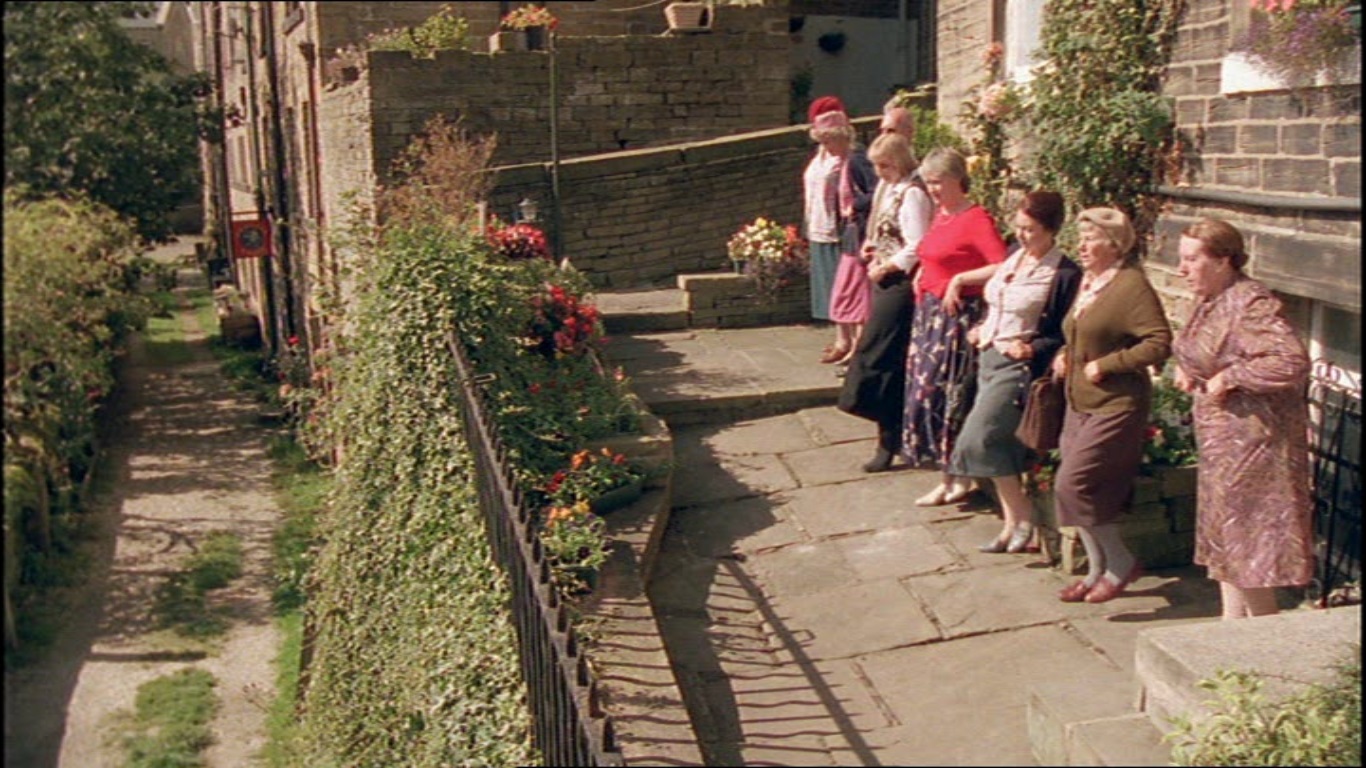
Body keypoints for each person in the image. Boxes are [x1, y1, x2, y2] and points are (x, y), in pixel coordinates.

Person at [1171, 218, 1313, 620]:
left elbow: (1290, 360)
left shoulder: (1250, 303)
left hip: (1255, 448)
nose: (1181, 269)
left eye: (1191, 259)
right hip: (1223, 448)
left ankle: (1261, 640)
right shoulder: (1208, 299)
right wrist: (1192, 371)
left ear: (1224, 260)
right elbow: (1210, 349)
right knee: (1227, 544)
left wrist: (1231, 377)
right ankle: (1231, 630)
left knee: (1250, 550)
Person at [947, 191, 1081, 552]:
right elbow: (999, 300)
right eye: (1018, 227)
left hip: (1017, 367)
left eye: (1031, 229)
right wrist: (982, 326)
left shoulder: (1064, 273)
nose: (1022, 235)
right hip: (987, 356)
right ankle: (1015, 525)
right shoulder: (1013, 256)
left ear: (1051, 230)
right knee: (995, 442)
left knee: (981, 438)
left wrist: (1033, 348)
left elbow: (1064, 332)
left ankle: (1024, 514)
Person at [1052, 207, 1172, 604]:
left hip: (1115, 403)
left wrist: (1107, 363)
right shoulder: (1091, 281)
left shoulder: (1130, 285)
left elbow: (1158, 341)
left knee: (1073, 484)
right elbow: (1083, 330)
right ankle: (1096, 568)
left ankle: (1121, 563)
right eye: (1080, 237)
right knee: (1083, 492)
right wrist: (1066, 354)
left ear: (1114, 244)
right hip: (1078, 401)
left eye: (1091, 239)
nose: (1081, 245)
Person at [902, 148, 1007, 505]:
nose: (932, 189)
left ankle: (959, 477)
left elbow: (1003, 265)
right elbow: (933, 253)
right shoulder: (941, 214)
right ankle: (947, 476)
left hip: (957, 318)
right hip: (929, 315)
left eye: (938, 181)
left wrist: (961, 279)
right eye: (928, 182)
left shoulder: (976, 218)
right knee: (923, 393)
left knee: (946, 395)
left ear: (957, 179)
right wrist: (921, 273)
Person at [837, 132, 933, 471]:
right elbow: (883, 231)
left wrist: (891, 265)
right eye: (877, 166)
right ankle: (888, 434)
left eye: (885, 165)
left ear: (900, 161)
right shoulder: (886, 189)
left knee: (880, 356)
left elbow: (918, 243)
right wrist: (871, 247)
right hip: (881, 275)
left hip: (900, 284)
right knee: (876, 355)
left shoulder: (913, 194)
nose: (879, 172)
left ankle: (890, 439)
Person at [825, 106, 878, 372]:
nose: (825, 147)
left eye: (828, 140)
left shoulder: (858, 159)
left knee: (855, 294)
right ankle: (853, 348)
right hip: (851, 233)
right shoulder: (846, 160)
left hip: (860, 233)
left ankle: (858, 351)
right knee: (848, 292)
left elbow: (876, 191)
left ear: (842, 137)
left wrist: (854, 206)